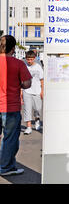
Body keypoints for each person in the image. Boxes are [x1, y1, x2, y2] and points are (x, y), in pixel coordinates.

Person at [0, 35, 32, 176]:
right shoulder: (18, 64)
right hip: (10, 106)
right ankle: (6, 167)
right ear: (13, 48)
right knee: (10, 138)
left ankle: (7, 165)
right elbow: (27, 84)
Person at [22, 50, 44, 135]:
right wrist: (21, 91)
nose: (29, 61)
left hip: (37, 90)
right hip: (26, 90)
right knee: (27, 109)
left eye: (31, 59)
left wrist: (42, 90)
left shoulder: (38, 67)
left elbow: (42, 79)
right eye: (28, 59)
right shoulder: (24, 66)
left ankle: (37, 119)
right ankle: (29, 127)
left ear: (34, 58)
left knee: (37, 108)